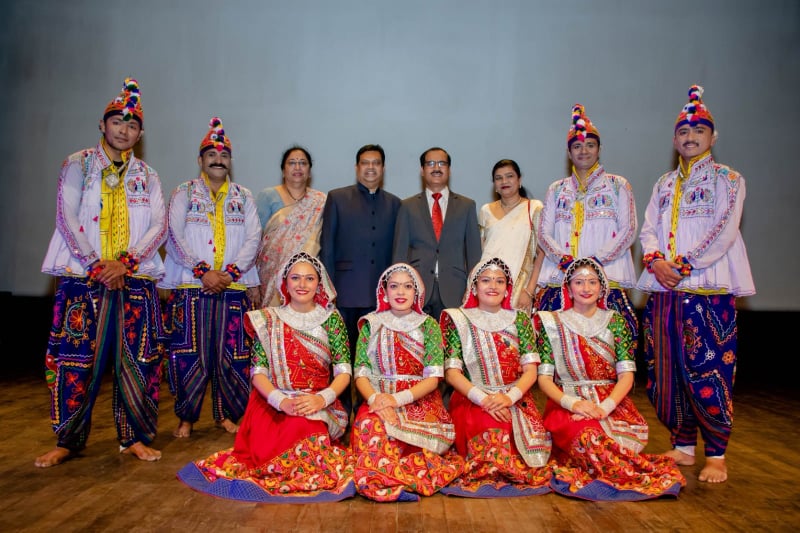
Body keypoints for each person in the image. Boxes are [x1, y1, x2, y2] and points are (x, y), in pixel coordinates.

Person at [36, 78, 167, 467]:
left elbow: (158, 225)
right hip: (83, 278)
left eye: (132, 125)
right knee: (76, 361)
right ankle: (68, 440)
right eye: (117, 122)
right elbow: (66, 216)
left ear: (140, 134)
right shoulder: (77, 164)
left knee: (138, 362)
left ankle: (134, 438)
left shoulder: (148, 175)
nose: (124, 130)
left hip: (134, 279)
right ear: (102, 124)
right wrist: (96, 264)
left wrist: (125, 264)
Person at [637, 85, 755, 483]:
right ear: (674, 140)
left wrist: (684, 266)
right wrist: (656, 261)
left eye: (699, 131)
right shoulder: (664, 183)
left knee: (708, 369)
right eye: (684, 132)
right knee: (665, 370)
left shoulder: (729, 179)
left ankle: (716, 453)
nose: (690, 138)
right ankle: (683, 445)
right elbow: (648, 228)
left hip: (707, 289)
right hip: (664, 289)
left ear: (712, 137)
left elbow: (724, 230)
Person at [177, 252, 355, 502]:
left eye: (309, 278)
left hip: (316, 402)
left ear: (319, 283)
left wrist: (321, 399)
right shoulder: (268, 319)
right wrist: (281, 401)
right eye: (295, 278)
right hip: (272, 402)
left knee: (306, 433)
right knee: (271, 447)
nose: (302, 284)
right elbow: (258, 372)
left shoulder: (331, 319)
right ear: (285, 282)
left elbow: (344, 371)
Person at [534, 257, 686, 500]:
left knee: (605, 440)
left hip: (611, 403)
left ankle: (616, 473)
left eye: (592, 282)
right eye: (579, 282)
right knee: (589, 438)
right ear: (568, 288)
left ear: (602, 287)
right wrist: (574, 404)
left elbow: (626, 376)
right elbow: (544, 380)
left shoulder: (615, 321)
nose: (586, 288)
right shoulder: (551, 323)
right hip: (567, 403)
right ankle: (615, 475)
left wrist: (604, 408)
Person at [161, 117, 261, 438]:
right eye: (212, 155)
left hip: (233, 288)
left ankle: (225, 415)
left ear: (231, 161)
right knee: (190, 355)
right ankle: (186, 418)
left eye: (224, 155)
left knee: (231, 355)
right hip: (193, 287)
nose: (219, 160)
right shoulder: (184, 193)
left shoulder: (243, 196)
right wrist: (203, 272)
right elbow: (173, 236)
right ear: (200, 160)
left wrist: (229, 274)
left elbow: (254, 239)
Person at [351, 263, 464, 502]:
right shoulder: (371, 324)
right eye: (394, 286)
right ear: (384, 291)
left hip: (418, 399)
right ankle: (383, 479)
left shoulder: (429, 326)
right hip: (378, 398)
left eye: (407, 286)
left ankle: (391, 478)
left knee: (414, 447)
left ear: (417, 292)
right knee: (370, 427)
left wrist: (395, 400)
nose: (401, 292)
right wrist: (377, 400)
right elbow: (360, 373)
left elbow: (433, 379)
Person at [440, 257, 551, 497]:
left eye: (500, 281)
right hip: (472, 399)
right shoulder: (458, 319)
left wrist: (508, 398)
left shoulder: (520, 320)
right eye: (486, 280)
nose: (493, 286)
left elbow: (531, 371)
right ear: (474, 287)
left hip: (514, 398)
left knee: (513, 430)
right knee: (491, 428)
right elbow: (451, 373)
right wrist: (485, 400)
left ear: (507, 288)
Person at [536, 104, 639, 345]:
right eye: (577, 146)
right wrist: (567, 262)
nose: (584, 151)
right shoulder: (556, 189)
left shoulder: (618, 185)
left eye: (590, 145)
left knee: (611, 347)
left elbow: (628, 230)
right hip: (561, 277)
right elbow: (543, 233)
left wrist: (594, 262)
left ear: (599, 149)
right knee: (556, 348)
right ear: (568, 152)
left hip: (606, 277)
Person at [320, 144, 400, 412]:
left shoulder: (395, 204)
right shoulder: (337, 198)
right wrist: (329, 290)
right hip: (344, 293)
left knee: (373, 360)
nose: (370, 167)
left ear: (383, 168)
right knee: (342, 358)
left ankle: (368, 412)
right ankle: (341, 413)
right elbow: (327, 247)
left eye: (376, 163)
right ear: (357, 167)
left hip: (380, 297)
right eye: (365, 162)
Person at [393, 147, 482, 322]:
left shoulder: (467, 206)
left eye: (442, 163)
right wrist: (398, 289)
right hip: (416, 290)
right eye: (431, 163)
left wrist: (473, 290)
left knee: (452, 338)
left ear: (449, 169)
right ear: (422, 170)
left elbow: (474, 254)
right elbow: (399, 253)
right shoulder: (407, 206)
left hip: (455, 290)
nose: (436, 168)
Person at [254, 145, 326, 308]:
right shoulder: (268, 196)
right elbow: (254, 239)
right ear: (283, 170)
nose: (297, 167)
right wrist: (251, 282)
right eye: (292, 163)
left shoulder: (321, 201)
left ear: (309, 171)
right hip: (269, 276)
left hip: (306, 280)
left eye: (303, 163)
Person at [478, 159, 544, 311]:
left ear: (519, 180)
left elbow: (541, 254)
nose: (504, 181)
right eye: (499, 178)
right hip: (489, 286)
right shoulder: (485, 210)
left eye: (509, 176)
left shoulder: (534, 208)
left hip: (520, 289)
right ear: (494, 185)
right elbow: (481, 253)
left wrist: (529, 291)